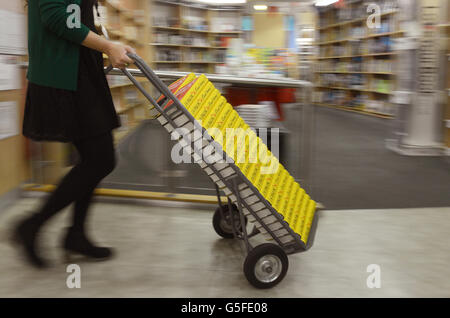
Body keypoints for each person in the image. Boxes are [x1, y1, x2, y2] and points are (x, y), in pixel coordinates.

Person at [13, 0, 135, 268]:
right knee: (99, 159)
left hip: (79, 73)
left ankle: (75, 234)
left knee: (93, 159)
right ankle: (34, 225)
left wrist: (107, 44)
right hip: (67, 76)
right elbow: (58, 18)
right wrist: (108, 46)